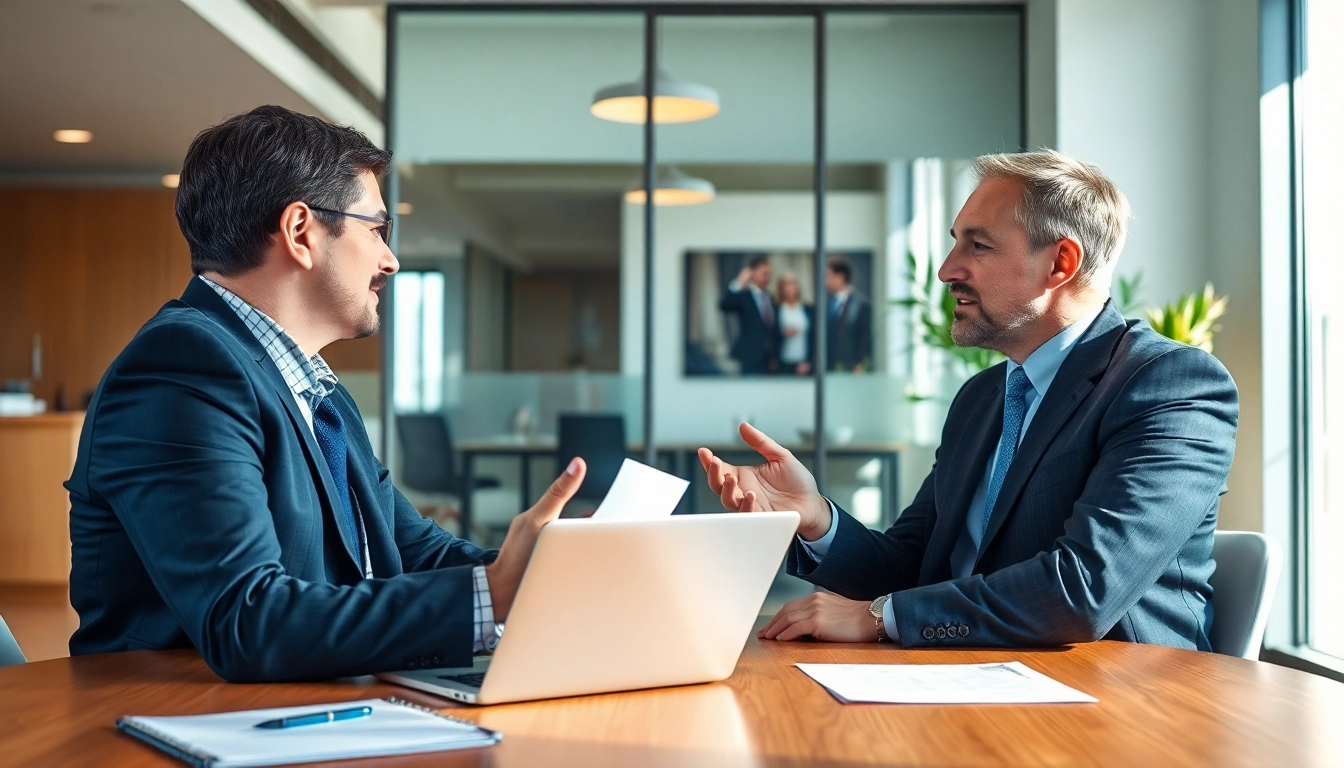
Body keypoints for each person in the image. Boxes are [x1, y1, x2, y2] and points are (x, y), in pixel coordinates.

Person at [64, 105, 589, 682]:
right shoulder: (181, 371)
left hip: (313, 707)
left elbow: (413, 552)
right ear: (300, 231)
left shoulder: (316, 390)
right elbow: (248, 620)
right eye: (376, 229)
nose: (390, 259)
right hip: (186, 724)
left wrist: (564, 573)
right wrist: (491, 593)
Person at [697, 149, 1238, 651]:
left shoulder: (1170, 384)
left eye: (977, 246)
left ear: (1060, 264)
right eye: (956, 242)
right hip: (967, 679)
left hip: (1120, 707)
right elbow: (915, 567)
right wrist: (817, 519)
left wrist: (881, 617)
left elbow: (1083, 590)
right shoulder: (983, 398)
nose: (946, 269)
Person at [719, 255, 778, 374]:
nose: (768, 278)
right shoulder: (744, 296)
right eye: (764, 273)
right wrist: (739, 282)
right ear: (753, 274)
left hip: (770, 359)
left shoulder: (770, 298)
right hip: (750, 357)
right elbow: (724, 305)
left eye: (769, 274)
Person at [824, 256, 873, 373]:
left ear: (840, 277)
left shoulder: (861, 304)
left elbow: (865, 336)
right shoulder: (827, 303)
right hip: (829, 367)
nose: (826, 281)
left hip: (851, 367)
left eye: (829, 276)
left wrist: (860, 363)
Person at [773, 272, 814, 375]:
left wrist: (809, 362)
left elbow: (814, 337)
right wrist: (783, 332)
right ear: (781, 289)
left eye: (792, 284)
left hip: (803, 362)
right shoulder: (776, 309)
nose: (790, 288)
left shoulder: (807, 309)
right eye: (786, 285)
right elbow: (771, 335)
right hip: (783, 362)